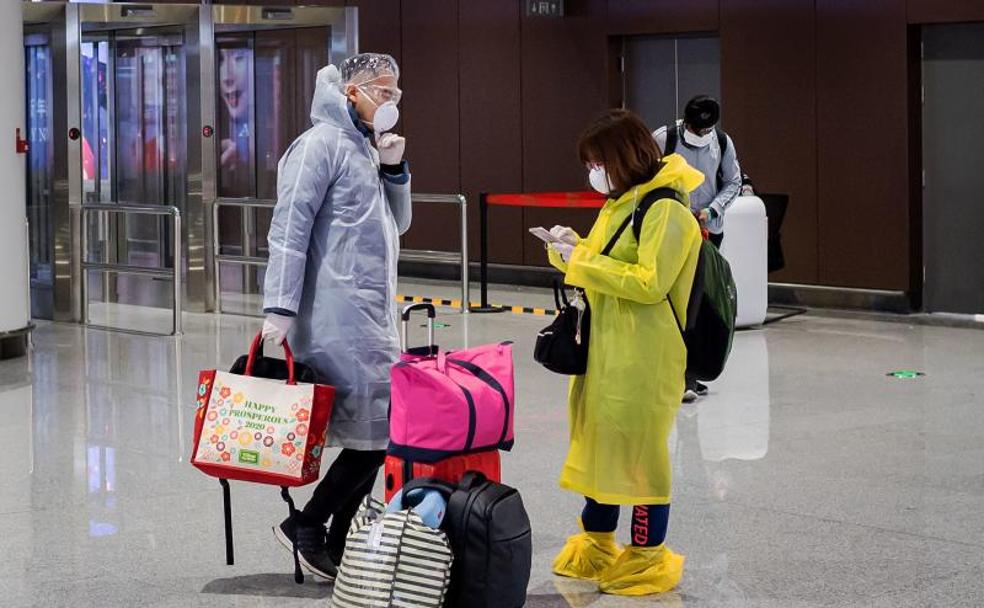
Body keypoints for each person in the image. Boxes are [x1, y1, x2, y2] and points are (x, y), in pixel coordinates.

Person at [260, 53, 411, 581]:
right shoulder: (318, 145)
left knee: (380, 433)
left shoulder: (365, 149)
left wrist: (395, 170)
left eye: (396, 95)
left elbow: (401, 224)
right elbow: (289, 229)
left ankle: (333, 538)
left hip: (371, 316)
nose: (390, 103)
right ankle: (309, 527)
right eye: (383, 93)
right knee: (375, 436)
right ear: (353, 92)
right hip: (332, 318)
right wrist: (278, 307)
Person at [545, 109, 704, 596]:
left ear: (624, 156)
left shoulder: (667, 211)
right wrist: (568, 249)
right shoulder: (622, 203)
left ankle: (646, 554)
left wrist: (584, 260)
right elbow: (602, 259)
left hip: (645, 357)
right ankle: (596, 542)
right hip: (607, 351)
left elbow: (651, 283)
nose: (594, 172)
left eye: (598, 161)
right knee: (600, 447)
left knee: (640, 457)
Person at [653, 95, 741, 402]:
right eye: (696, 130)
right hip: (671, 233)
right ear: (685, 122)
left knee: (700, 302)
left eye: (706, 130)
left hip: (706, 233)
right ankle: (677, 374)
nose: (701, 136)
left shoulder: (722, 141)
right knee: (675, 303)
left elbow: (734, 182)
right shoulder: (665, 138)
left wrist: (711, 211)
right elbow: (647, 180)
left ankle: (692, 372)